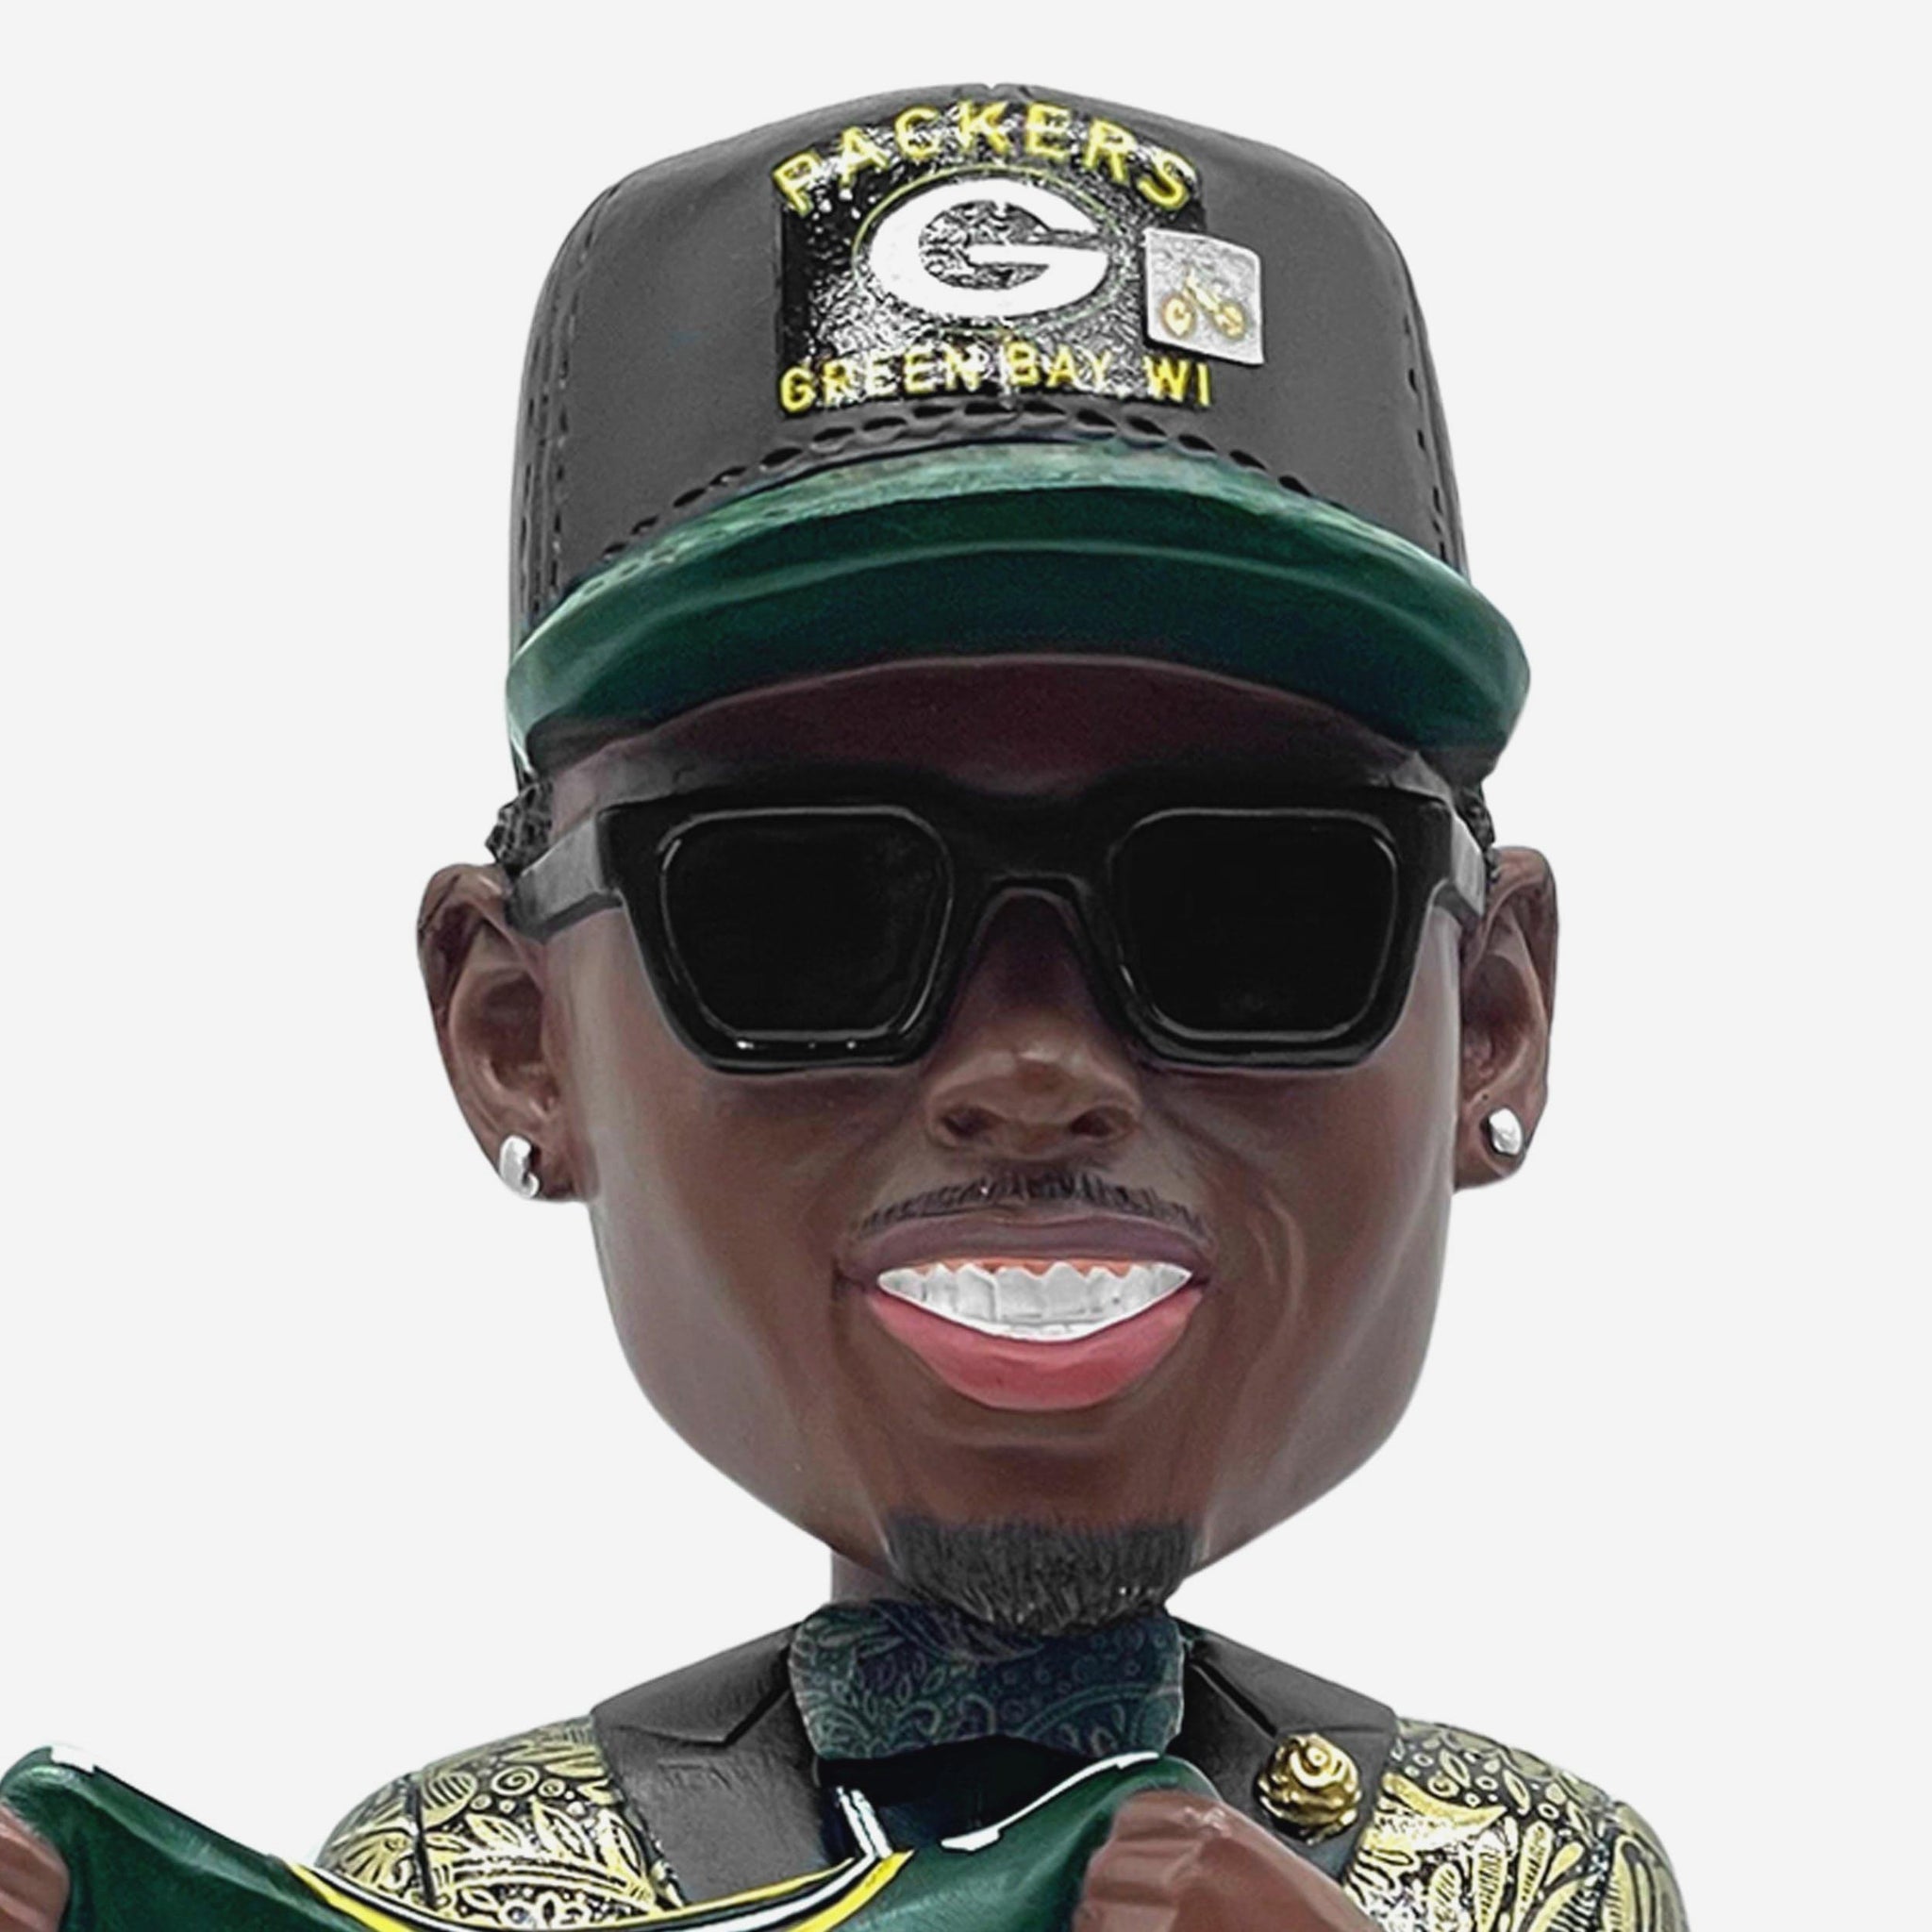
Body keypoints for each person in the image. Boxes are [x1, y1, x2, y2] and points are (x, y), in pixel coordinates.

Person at [0, 85, 1686, 1931]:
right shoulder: (476, 1877)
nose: (1031, 1069)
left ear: (1492, 1012)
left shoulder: (1515, 1880)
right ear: (519, 1037)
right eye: (799, 916)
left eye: (1254, 914)